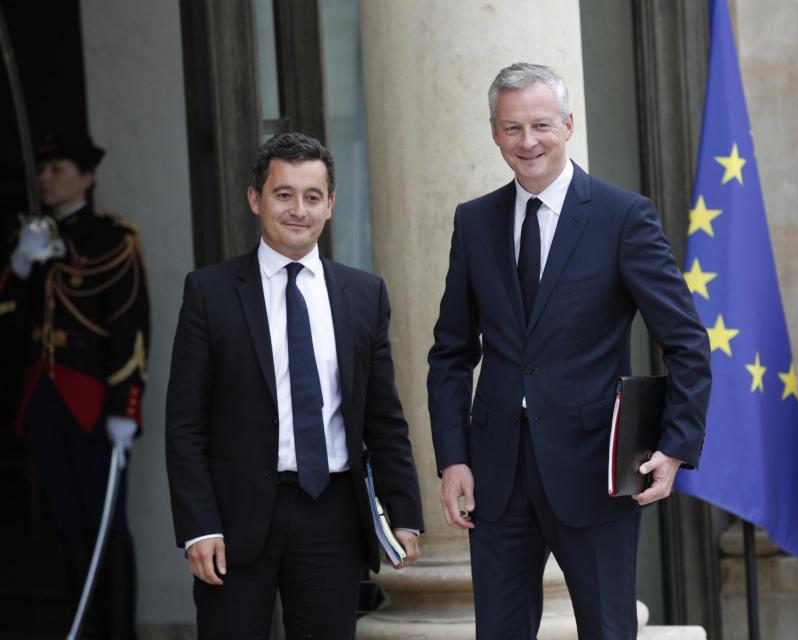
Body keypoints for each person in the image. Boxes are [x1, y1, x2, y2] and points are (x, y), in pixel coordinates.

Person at [427, 63, 712, 639]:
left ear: (568, 125)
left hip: (596, 472)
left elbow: (686, 342)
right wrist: (453, 457)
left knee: (608, 630)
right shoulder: (474, 221)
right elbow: (451, 353)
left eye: (540, 125)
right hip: (496, 478)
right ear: (493, 132)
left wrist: (675, 446)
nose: (527, 141)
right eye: (512, 128)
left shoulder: (623, 217)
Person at [165, 131, 424, 639]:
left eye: (312, 197)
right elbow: (185, 424)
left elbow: (383, 417)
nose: (298, 210)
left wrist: (406, 514)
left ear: (330, 205)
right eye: (284, 194)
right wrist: (199, 525)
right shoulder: (209, 292)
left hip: (330, 513)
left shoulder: (363, 294)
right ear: (255, 199)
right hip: (234, 519)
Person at [0, 130, 150, 638]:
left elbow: (131, 330)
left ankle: (118, 632)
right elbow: (10, 330)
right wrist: (21, 265)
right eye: (42, 172)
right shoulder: (31, 241)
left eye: (57, 170)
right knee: (67, 527)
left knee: (107, 526)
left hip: (93, 400)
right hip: (44, 399)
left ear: (86, 178)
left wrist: (125, 408)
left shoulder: (111, 240)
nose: (46, 179)